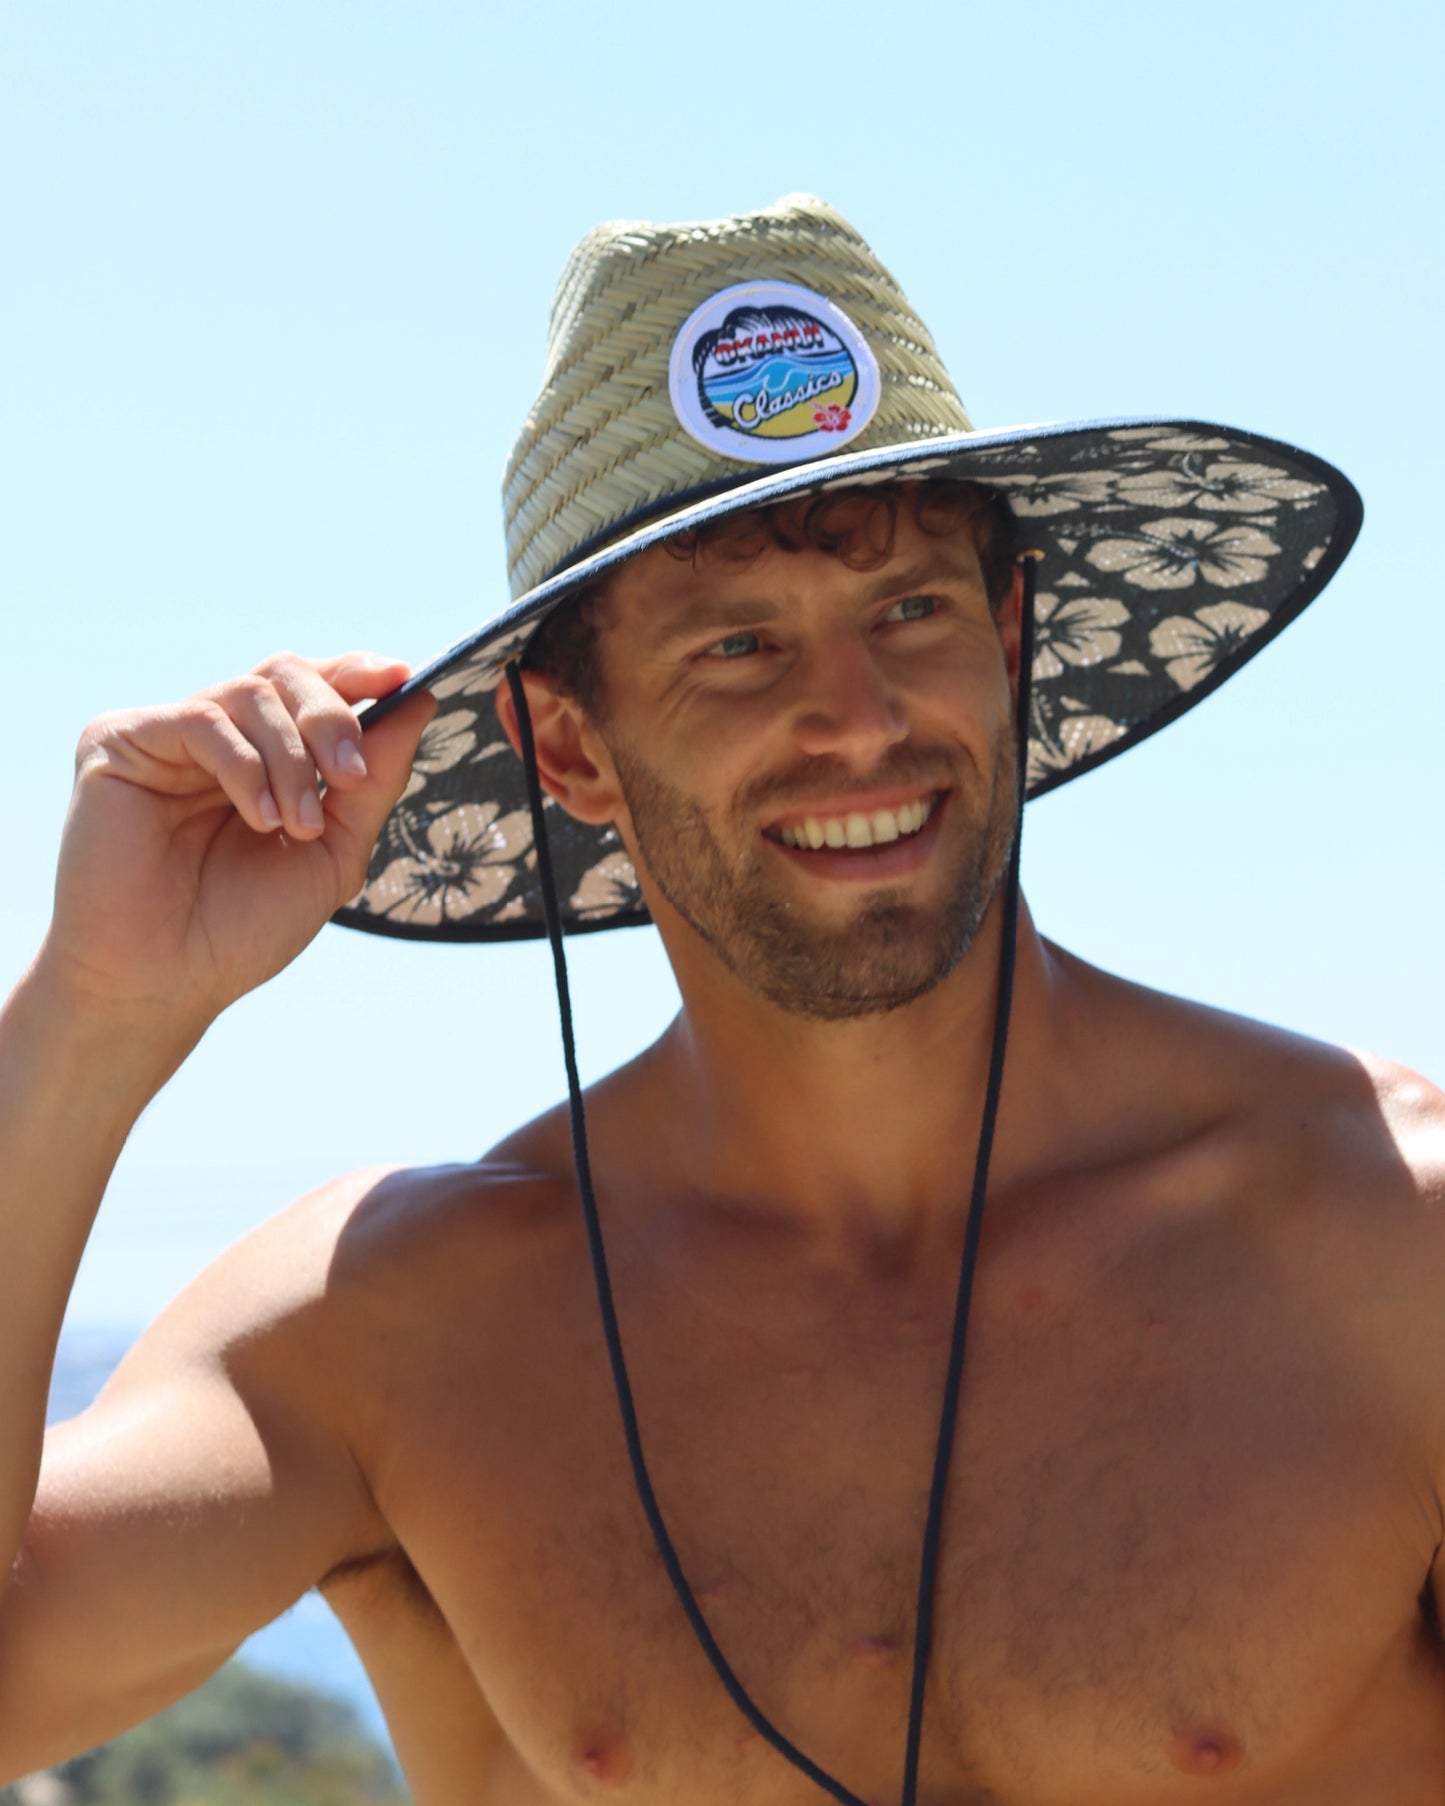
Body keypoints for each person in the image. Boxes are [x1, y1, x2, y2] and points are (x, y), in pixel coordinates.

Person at [1, 194, 1441, 1806]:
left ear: (1013, 635)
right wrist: (94, 1013)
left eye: (910, 609)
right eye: (740, 645)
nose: (858, 716)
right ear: (569, 750)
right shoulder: (394, 1327)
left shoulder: (1387, 1233)